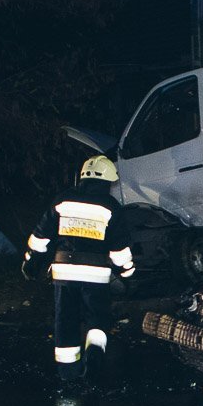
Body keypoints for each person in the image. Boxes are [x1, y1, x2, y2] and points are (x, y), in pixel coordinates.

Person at [22, 155, 135, 390]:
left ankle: (67, 372)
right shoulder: (111, 207)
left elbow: (41, 238)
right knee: (97, 318)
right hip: (96, 275)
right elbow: (119, 250)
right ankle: (94, 357)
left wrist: (31, 263)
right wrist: (126, 274)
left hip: (64, 272)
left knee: (65, 320)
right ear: (108, 181)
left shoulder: (62, 200)